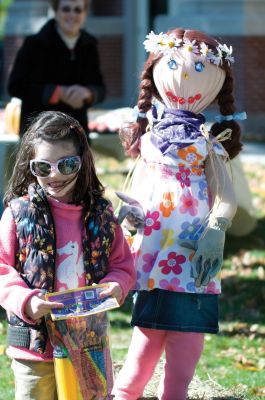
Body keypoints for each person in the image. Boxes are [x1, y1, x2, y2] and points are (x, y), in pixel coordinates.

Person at [113, 28, 245, 400]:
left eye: (200, 67)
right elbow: (138, 187)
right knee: (143, 347)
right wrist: (131, 213)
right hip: (153, 260)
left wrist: (217, 227)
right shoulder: (150, 138)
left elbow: (226, 196)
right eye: (174, 65)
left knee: (185, 352)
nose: (186, 75)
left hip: (193, 260)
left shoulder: (208, 143)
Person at [0, 110, 135, 400]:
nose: (56, 175)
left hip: (89, 344)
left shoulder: (101, 214)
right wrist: (24, 300)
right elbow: (1, 268)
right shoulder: (18, 214)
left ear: (83, 162)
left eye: (67, 164)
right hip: (34, 350)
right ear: (30, 166)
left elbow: (122, 264)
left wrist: (116, 285)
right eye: (43, 167)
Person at [7, 0, 105, 138]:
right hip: (39, 134)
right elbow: (15, 86)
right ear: (56, 12)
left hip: (76, 134)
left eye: (78, 10)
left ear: (85, 14)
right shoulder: (34, 44)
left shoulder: (90, 45)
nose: (72, 14)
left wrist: (88, 93)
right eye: (66, 9)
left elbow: (101, 89)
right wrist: (57, 93)